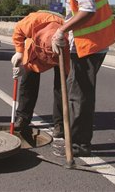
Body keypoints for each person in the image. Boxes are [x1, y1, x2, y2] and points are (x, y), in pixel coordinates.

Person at [29, 0, 115, 157]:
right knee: (75, 92)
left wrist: (62, 30)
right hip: (86, 43)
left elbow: (88, 10)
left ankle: (78, 145)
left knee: (79, 96)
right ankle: (73, 139)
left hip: (91, 44)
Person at [10, 10, 70, 138]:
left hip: (60, 53)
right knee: (28, 82)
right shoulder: (33, 22)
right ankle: (23, 118)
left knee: (62, 88)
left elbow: (68, 70)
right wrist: (19, 52)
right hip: (35, 51)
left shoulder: (68, 38)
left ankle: (60, 124)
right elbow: (18, 32)